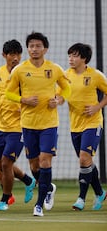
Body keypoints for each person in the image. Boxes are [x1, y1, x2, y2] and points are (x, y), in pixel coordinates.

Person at [5, 32, 71, 217]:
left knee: (44, 160)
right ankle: (48, 187)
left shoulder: (55, 69)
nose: (34, 49)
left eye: (38, 46)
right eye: (31, 46)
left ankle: (39, 205)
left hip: (49, 123)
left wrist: (58, 100)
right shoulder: (19, 70)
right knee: (34, 166)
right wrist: (23, 99)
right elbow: (8, 94)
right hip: (28, 124)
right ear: (28, 49)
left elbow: (67, 88)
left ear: (45, 49)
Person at [0, 39, 36, 211]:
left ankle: (5, 198)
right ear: (4, 55)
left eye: (18, 54)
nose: (15, 58)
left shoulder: (26, 73)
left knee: (5, 163)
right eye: (11, 54)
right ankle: (28, 180)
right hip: (0, 126)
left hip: (19, 126)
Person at [65, 43, 107, 211]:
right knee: (87, 161)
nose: (71, 59)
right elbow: (60, 94)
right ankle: (100, 193)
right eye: (69, 56)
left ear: (84, 58)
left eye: (74, 56)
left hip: (93, 123)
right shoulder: (65, 75)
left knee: (84, 158)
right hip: (75, 125)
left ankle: (81, 198)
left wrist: (98, 106)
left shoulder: (95, 75)